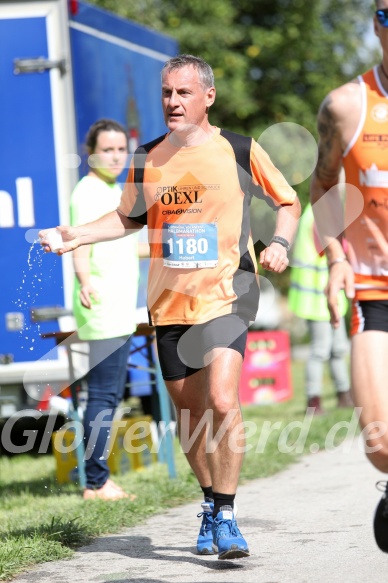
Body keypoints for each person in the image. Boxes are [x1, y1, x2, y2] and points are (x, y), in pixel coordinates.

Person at [40, 54, 301, 559]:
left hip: (230, 294)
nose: (172, 102)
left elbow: (287, 203)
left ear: (208, 97)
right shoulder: (147, 156)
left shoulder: (240, 150)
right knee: (189, 412)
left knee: (222, 400)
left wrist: (281, 245)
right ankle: (209, 501)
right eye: (166, 93)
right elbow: (128, 218)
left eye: (183, 93)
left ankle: (225, 513)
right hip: (169, 304)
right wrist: (77, 236)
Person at [310, 1, 388, 554]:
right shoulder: (345, 106)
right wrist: (336, 256)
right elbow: (321, 187)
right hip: (374, 289)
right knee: (380, 442)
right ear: (375, 25)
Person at [71, 119, 139, 501]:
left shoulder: (112, 188)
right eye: (107, 149)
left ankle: (97, 480)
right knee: (102, 396)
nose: (115, 156)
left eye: (120, 149)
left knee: (109, 396)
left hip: (117, 307)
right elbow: (78, 238)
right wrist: (84, 281)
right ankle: (96, 482)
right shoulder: (88, 191)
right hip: (100, 306)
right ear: (90, 152)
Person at [288, 203, 352, 414]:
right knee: (320, 350)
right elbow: (331, 250)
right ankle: (313, 402)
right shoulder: (319, 214)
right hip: (317, 297)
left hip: (329, 295)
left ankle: (344, 395)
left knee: (338, 349)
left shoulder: (318, 211)